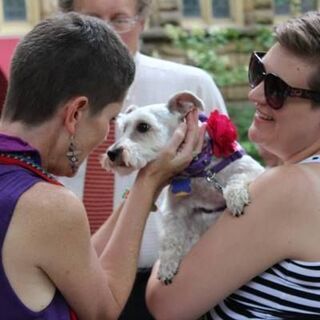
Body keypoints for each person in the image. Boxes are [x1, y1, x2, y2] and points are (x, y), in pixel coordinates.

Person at [0, 12, 202, 320]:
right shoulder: (47, 205)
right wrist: (148, 185)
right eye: (109, 120)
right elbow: (103, 310)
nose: (107, 137)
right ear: (77, 113)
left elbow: (77, 260)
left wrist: (146, 182)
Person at [57, 1, 227, 318]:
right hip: (67, 284)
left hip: (165, 283)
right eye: (91, 20)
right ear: (66, 23)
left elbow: (223, 178)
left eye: (120, 19)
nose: (106, 32)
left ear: (143, 22)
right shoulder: (46, 96)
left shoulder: (191, 88)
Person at [147, 11, 320, 320]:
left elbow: (166, 303)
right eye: (258, 72)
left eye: (276, 90)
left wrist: (176, 190)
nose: (254, 93)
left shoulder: (291, 187)